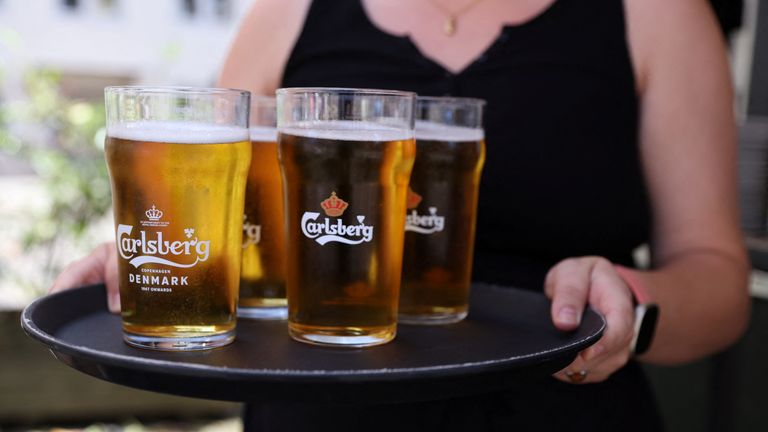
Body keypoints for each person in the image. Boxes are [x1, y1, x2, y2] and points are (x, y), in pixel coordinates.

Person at [51, 0, 749, 430]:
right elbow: (220, 201)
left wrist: (631, 301)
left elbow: (718, 282)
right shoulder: (286, 10)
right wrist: (167, 256)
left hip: (562, 409)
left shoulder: (657, 11)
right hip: (319, 414)